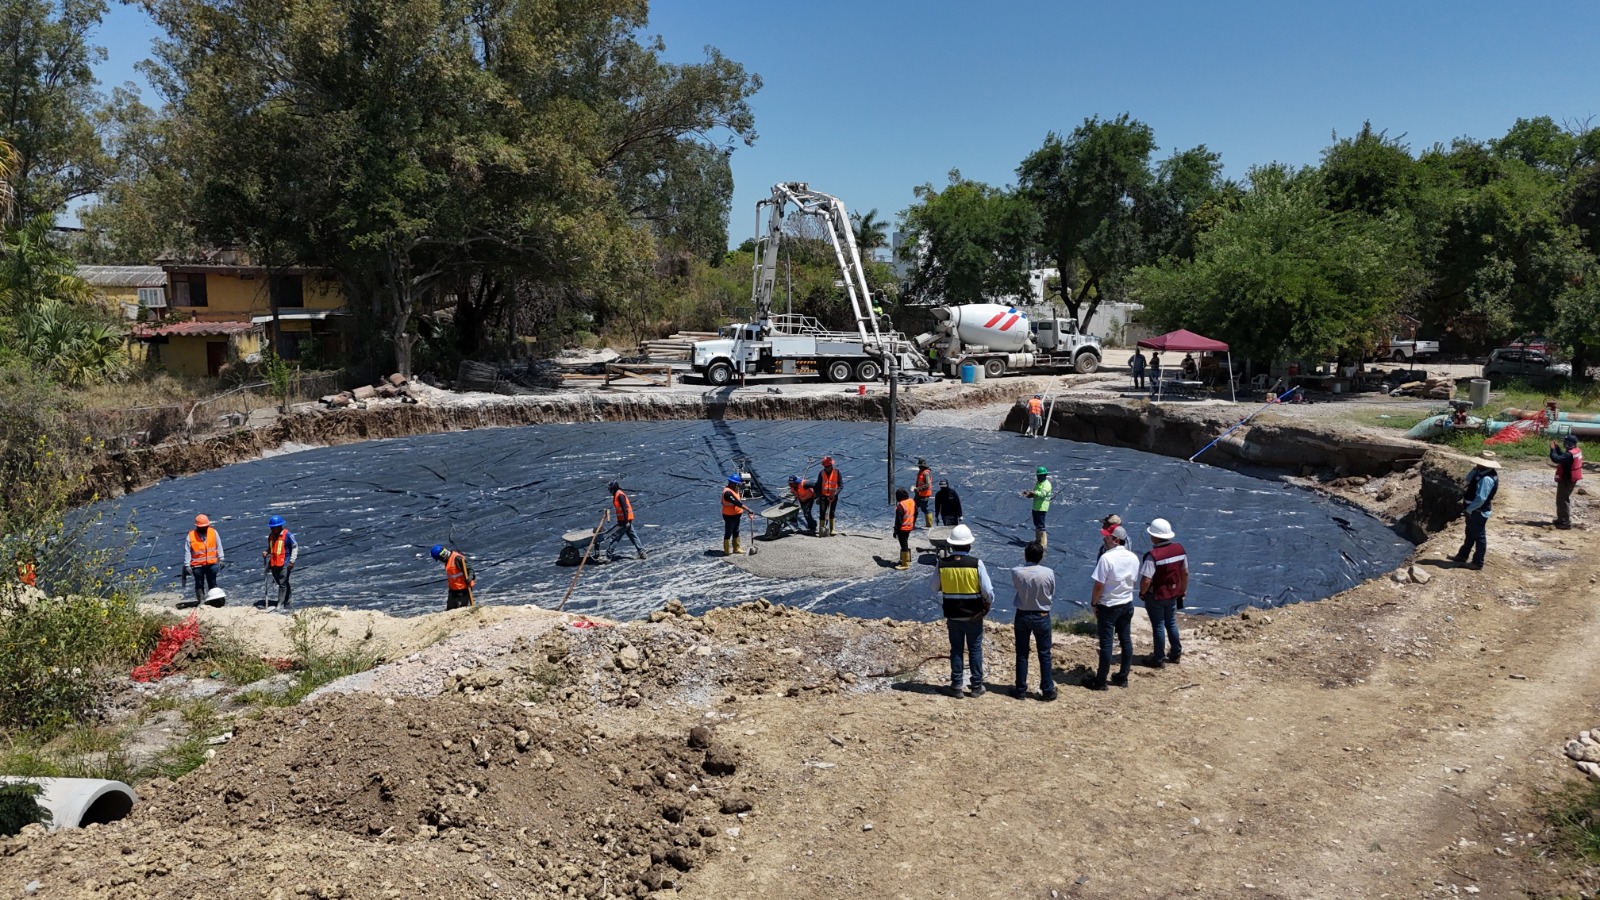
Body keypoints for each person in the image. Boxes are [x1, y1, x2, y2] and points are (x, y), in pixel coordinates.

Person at [934, 524, 993, 698]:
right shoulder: (976, 564)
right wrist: (987, 604)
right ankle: (976, 686)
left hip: (953, 615)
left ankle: (956, 686)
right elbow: (988, 591)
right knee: (975, 649)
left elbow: (934, 587)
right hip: (974, 615)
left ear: (951, 545)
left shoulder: (942, 564)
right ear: (969, 545)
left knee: (956, 650)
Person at [1087, 525, 1139, 690]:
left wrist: (1094, 603)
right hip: (1126, 604)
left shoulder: (1106, 558)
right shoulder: (1133, 557)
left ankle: (1100, 681)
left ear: (1116, 540)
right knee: (1125, 640)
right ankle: (1123, 677)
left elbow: (1099, 585)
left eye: (1107, 537)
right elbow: (1133, 582)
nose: (1104, 539)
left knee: (1107, 644)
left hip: (1109, 605)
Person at [1009, 541, 1057, 701]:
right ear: (1041, 557)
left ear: (1025, 555)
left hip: (1022, 614)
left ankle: (1020, 689)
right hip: (1042, 615)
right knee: (1044, 654)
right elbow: (1051, 591)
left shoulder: (1016, 572)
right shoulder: (1048, 572)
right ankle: (1047, 690)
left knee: (1022, 653)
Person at [1139, 517, 1188, 667]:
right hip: (1173, 594)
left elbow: (1146, 580)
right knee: (1171, 622)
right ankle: (1176, 653)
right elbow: (1185, 573)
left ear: (1155, 536)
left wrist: (1142, 593)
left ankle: (1159, 658)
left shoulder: (1153, 556)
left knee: (1158, 625)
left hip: (1156, 596)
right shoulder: (1180, 550)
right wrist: (1182, 590)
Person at [1451, 451, 1500, 570]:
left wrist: (1469, 509)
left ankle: (1477, 563)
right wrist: (1474, 470)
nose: (1477, 465)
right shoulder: (1481, 472)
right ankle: (1462, 556)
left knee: (1479, 536)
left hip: (1477, 511)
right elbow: (1468, 479)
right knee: (1470, 533)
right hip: (1474, 510)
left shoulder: (1486, 478)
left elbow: (1481, 498)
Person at [183, 514, 225, 608]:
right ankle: (201, 601)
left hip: (212, 564)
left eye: (205, 526)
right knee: (199, 584)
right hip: (197, 566)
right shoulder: (190, 536)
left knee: (213, 583)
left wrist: (221, 558)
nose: (204, 528)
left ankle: (214, 601)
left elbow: (219, 545)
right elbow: (187, 551)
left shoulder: (213, 532)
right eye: (202, 527)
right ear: (197, 526)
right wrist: (187, 565)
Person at [261, 515, 298, 608]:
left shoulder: (287, 535)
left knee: (282, 583)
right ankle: (288, 599)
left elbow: (295, 547)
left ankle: (280, 603)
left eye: (274, 527)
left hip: (284, 563)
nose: (272, 529)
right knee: (281, 582)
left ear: (279, 526)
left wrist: (292, 561)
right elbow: (271, 548)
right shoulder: (271, 536)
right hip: (274, 563)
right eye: (271, 527)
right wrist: (267, 551)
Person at [1549, 435, 1584, 530]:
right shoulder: (1575, 451)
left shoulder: (1569, 454)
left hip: (1567, 479)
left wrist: (1552, 449)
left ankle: (1565, 522)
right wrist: (1557, 449)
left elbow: (1556, 459)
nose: (1564, 444)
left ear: (1569, 443)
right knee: (1562, 499)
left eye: (1565, 442)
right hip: (1571, 478)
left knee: (1562, 500)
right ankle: (1561, 519)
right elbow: (1562, 457)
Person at [605, 481, 646, 559]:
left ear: (614, 488)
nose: (610, 491)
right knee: (633, 536)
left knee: (616, 537)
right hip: (625, 520)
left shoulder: (620, 495)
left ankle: (608, 555)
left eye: (610, 489)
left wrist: (625, 521)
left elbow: (625, 508)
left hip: (625, 521)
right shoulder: (618, 494)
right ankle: (642, 552)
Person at [431, 544, 475, 609]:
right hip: (453, 590)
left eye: (439, 558)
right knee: (450, 609)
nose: (441, 561)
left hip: (463, 589)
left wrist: (470, 577)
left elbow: (470, 569)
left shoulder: (457, 558)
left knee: (462, 609)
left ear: (442, 555)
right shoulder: (448, 561)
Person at [1021, 466, 1053, 549]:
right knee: (1037, 524)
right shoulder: (1039, 483)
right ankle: (1038, 541)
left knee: (1041, 525)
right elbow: (1036, 494)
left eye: (1040, 476)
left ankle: (1043, 544)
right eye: (1038, 476)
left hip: (1042, 508)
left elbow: (1042, 494)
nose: (1038, 477)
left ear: (1045, 475)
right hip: (1036, 507)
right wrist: (1029, 494)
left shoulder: (1047, 484)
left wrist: (1033, 493)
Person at [721, 475, 748, 556]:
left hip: (736, 514)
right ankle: (726, 550)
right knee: (728, 532)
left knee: (736, 531)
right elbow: (737, 502)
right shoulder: (727, 493)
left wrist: (743, 486)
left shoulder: (734, 489)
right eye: (737, 484)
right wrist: (748, 509)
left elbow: (739, 493)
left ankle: (736, 548)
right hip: (729, 515)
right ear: (732, 483)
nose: (737, 486)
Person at [817, 456, 842, 536]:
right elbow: (818, 486)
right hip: (823, 496)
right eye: (825, 467)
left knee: (832, 512)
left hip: (833, 496)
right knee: (822, 512)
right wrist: (818, 496)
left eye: (827, 466)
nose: (826, 468)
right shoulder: (821, 473)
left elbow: (841, 485)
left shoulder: (837, 472)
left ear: (831, 465)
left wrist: (835, 493)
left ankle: (832, 529)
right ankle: (821, 529)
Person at [893, 487, 915, 570]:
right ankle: (906, 559)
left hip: (903, 528)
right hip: (910, 526)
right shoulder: (911, 501)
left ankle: (905, 564)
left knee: (904, 545)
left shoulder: (901, 506)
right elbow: (916, 513)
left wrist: (895, 531)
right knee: (905, 543)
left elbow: (898, 521)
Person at [914, 458, 934, 528]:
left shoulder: (926, 473)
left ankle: (929, 524)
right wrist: (916, 488)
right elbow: (919, 482)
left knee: (924, 508)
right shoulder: (920, 472)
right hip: (918, 494)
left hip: (924, 495)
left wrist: (918, 489)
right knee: (914, 507)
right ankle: (912, 523)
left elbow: (927, 484)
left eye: (920, 466)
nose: (919, 467)